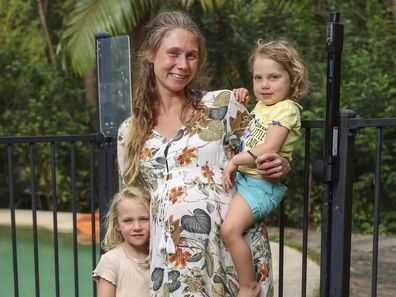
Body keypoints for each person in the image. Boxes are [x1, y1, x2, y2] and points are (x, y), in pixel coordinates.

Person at [117, 11, 290, 297]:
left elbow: (265, 153)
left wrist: (281, 164)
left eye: (191, 56)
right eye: (173, 53)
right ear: (150, 54)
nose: (182, 65)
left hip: (231, 263)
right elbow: (131, 203)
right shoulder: (130, 131)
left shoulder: (223, 106)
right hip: (174, 269)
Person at [221, 39, 309, 297]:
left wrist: (235, 161)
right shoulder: (264, 105)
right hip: (247, 181)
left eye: (273, 77)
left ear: (291, 79)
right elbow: (249, 130)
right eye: (258, 78)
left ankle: (249, 285)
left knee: (230, 229)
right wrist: (241, 99)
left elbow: (269, 146)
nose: (265, 85)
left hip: (261, 186)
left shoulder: (288, 109)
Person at [92, 186, 150, 297]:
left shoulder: (160, 257)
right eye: (128, 221)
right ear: (117, 225)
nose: (137, 227)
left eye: (144, 219)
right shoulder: (111, 261)